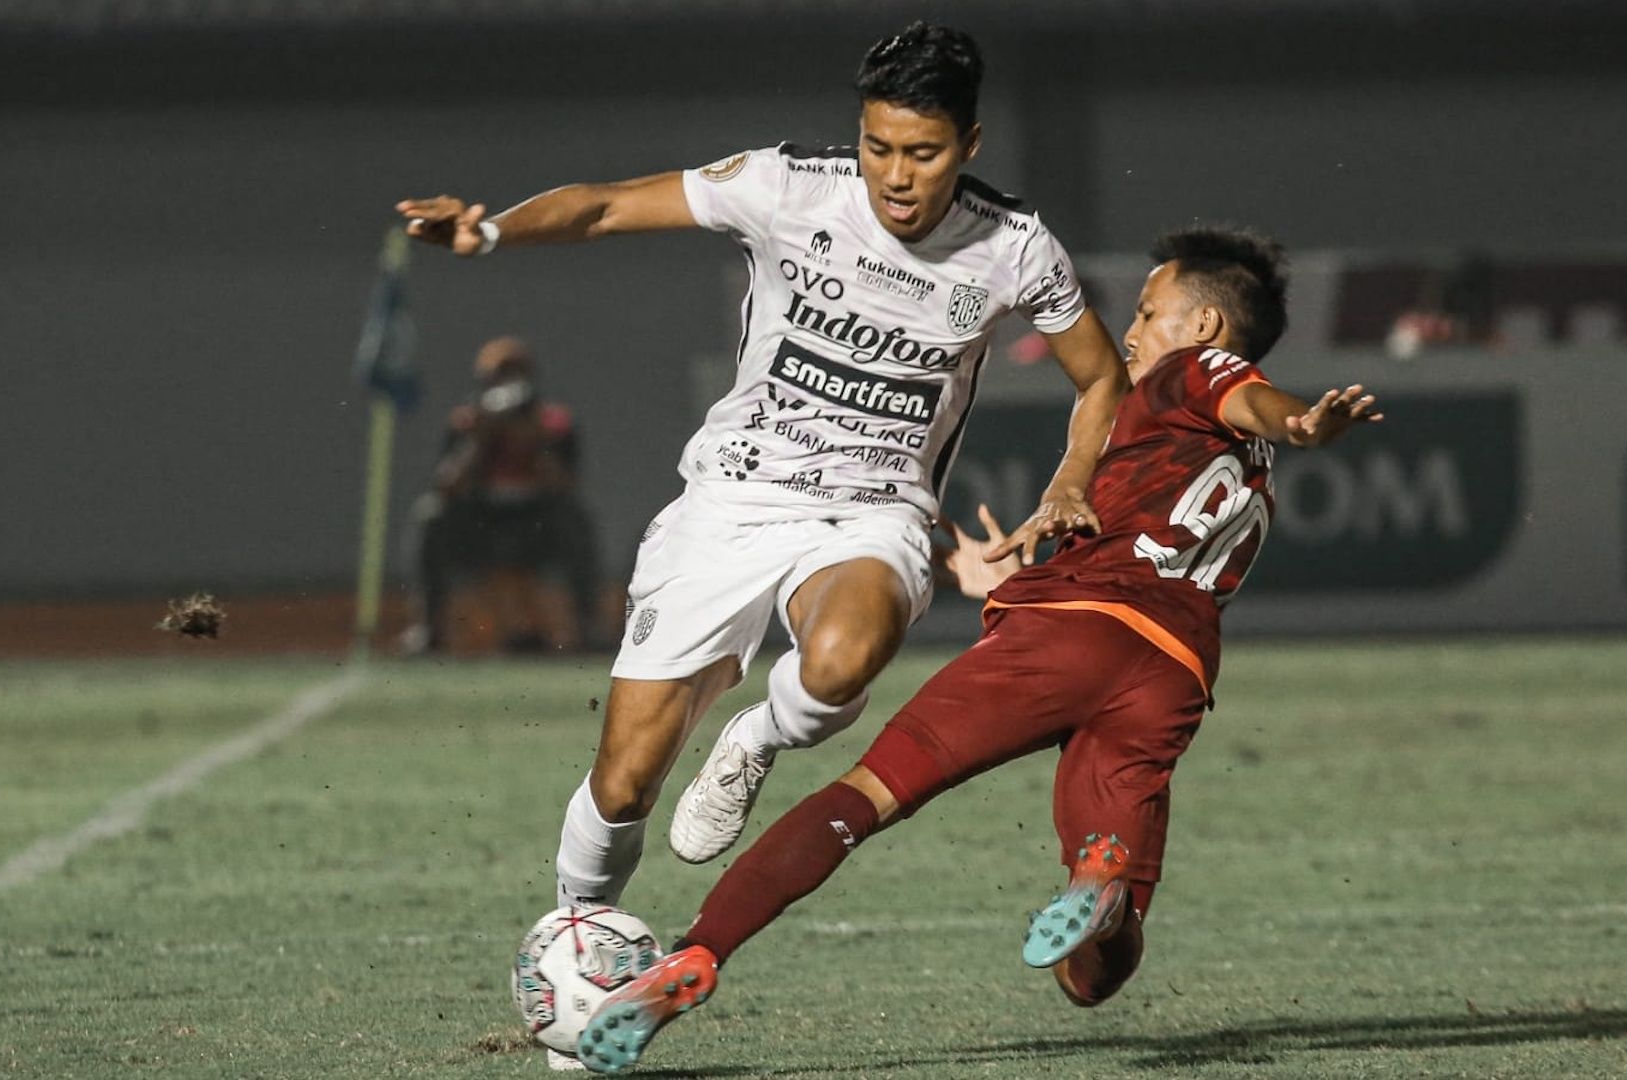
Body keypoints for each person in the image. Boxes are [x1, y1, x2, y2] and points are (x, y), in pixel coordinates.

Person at [568, 226, 1385, 1075]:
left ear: (1207, 327)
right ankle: (1100, 885)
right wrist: (1006, 570)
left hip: (1070, 638)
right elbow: (1166, 523)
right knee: (1089, 977)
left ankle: (694, 956)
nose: (1132, 331)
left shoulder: (1194, 375)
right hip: (1168, 680)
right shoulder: (1233, 461)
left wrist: (1306, 423)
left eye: (1149, 310)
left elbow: (1259, 401)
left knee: (864, 800)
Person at [398, 20, 1126, 930]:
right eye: (879, 147)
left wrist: (1071, 478)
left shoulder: (1015, 247)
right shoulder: (787, 185)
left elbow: (1101, 376)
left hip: (874, 514)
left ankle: (757, 735)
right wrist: (492, 232)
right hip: (731, 504)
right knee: (624, 781)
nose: (896, 175)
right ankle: (575, 942)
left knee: (839, 661)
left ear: (968, 145)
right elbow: (610, 206)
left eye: (924, 154)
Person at [400, 336, 606, 654]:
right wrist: (480, 441)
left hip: (537, 522)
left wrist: (535, 443)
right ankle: (428, 628)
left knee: (576, 520)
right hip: (481, 522)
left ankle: (588, 626)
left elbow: (566, 485)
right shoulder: (467, 421)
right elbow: (446, 486)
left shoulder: (554, 422)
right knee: (431, 516)